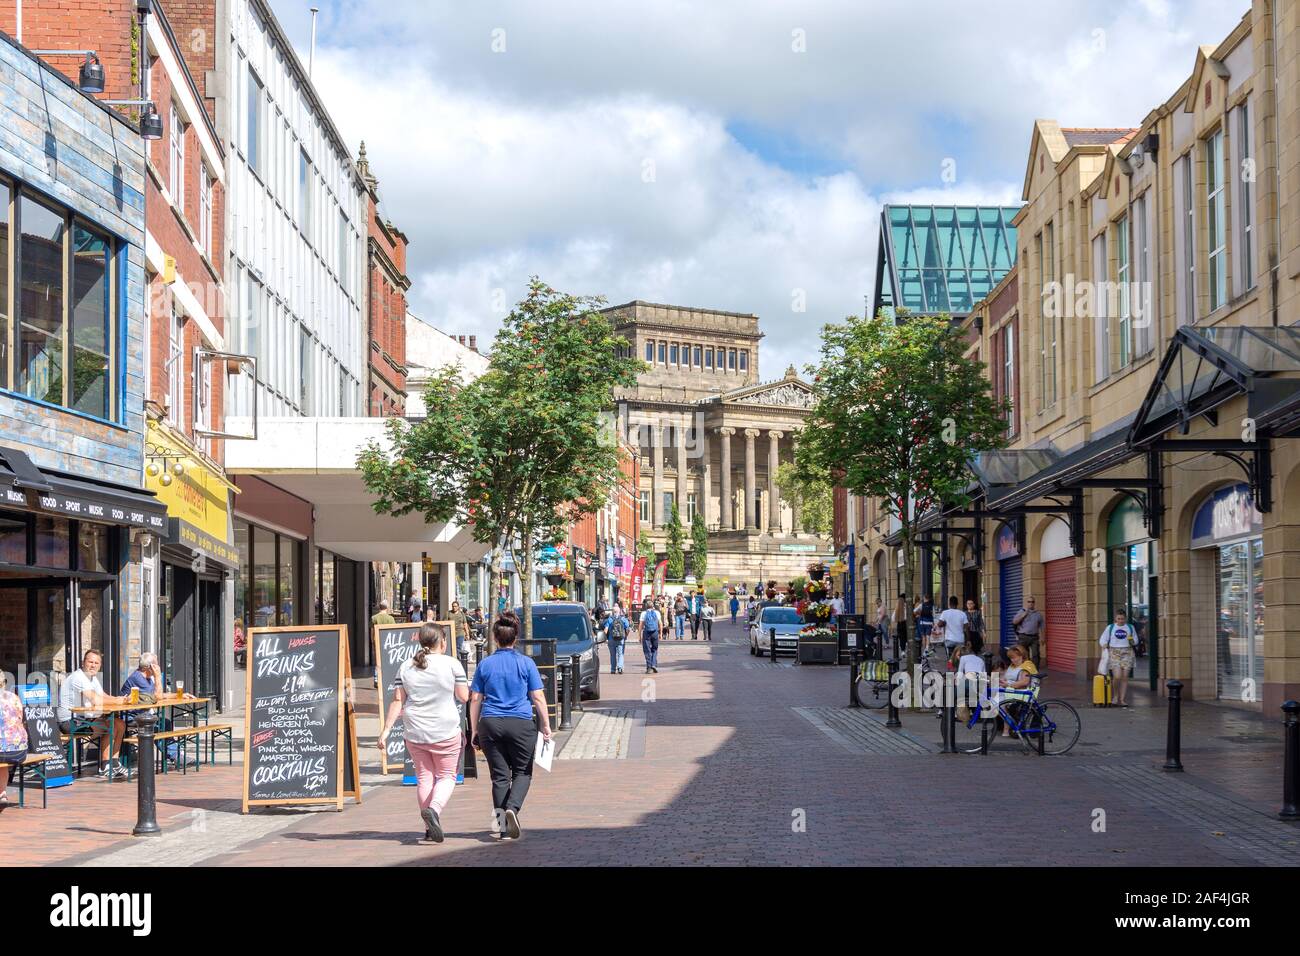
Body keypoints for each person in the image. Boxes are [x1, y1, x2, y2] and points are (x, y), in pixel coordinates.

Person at [380, 623, 468, 843]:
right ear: (443, 642)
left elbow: (398, 701)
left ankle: (428, 828)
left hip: (415, 731)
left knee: (424, 777)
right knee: (447, 776)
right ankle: (434, 811)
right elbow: (463, 696)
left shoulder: (406, 666)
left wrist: (386, 730)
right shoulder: (452, 664)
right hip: (445, 729)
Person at [468, 612, 552, 841]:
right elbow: (537, 697)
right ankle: (512, 809)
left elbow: (475, 698)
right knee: (523, 772)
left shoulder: (485, 664)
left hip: (491, 724)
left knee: (499, 777)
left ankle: (503, 828)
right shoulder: (526, 663)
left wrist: (474, 729)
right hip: (521, 724)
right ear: (515, 638)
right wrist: (546, 725)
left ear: (495, 638)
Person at [57, 649, 128, 778]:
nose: (93, 665)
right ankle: (105, 766)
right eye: (90, 662)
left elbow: (102, 696)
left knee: (120, 723)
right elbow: (96, 699)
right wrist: (117, 700)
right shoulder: (79, 677)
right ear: (83, 663)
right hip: (69, 722)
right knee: (110, 726)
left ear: (100, 665)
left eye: (96, 663)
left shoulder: (92, 678)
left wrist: (119, 700)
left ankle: (115, 762)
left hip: (84, 719)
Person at [1099, 609, 1138, 707]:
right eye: (1119, 619)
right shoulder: (1110, 627)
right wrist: (1103, 644)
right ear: (1115, 619)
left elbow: (1136, 641)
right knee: (1117, 676)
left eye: (1123, 619)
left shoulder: (1130, 627)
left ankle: (1122, 699)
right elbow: (1103, 638)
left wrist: (1132, 640)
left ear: (1126, 618)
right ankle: (1115, 696)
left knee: (1125, 677)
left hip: (1127, 652)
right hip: (1114, 652)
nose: (1121, 621)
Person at [0, 671, 28, 810]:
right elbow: (20, 719)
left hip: (3, 751)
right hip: (19, 751)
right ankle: (2, 793)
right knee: (2, 759)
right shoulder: (14, 697)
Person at [998, 643, 1039, 736]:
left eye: (1015, 657)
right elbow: (1006, 677)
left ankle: (1006, 730)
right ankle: (1003, 727)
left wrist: (1008, 684)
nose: (1013, 660)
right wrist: (1001, 681)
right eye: (1011, 658)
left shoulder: (1027, 665)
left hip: (1025, 692)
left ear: (1022, 655)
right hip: (1013, 690)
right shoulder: (1012, 665)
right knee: (995, 699)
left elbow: (1024, 682)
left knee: (1002, 703)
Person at [1012, 596, 1045, 667]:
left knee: (1036, 654)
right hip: (1023, 637)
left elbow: (1042, 626)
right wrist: (1023, 616)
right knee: (1024, 655)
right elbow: (1014, 622)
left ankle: (1035, 672)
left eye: (1032, 602)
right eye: (1029, 602)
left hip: (1034, 637)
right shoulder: (1021, 612)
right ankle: (1026, 670)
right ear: (1027, 603)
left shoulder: (1038, 614)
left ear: (1034, 603)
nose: (1031, 603)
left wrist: (1043, 637)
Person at [604, 602, 630, 673]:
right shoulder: (623, 619)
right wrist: (626, 636)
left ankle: (613, 669)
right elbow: (627, 629)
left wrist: (605, 638)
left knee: (612, 655)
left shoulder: (610, 619)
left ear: (612, 612)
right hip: (621, 639)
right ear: (619, 611)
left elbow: (605, 630)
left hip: (611, 639)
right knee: (620, 654)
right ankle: (620, 667)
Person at [638, 597, 662, 673]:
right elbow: (660, 623)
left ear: (646, 606)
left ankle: (649, 667)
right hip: (655, 632)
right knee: (655, 649)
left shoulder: (643, 613)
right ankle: (654, 664)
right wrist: (660, 633)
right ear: (652, 606)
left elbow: (641, 625)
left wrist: (639, 635)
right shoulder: (657, 613)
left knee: (647, 650)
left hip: (646, 632)